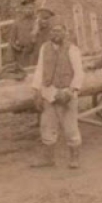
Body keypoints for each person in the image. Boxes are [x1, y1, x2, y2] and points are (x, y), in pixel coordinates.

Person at [30, 22, 85, 169]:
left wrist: (72, 90)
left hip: (66, 92)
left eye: (59, 31)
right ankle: (48, 159)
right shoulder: (44, 48)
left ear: (65, 32)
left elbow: (79, 72)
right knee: (47, 126)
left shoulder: (72, 49)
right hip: (48, 92)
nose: (56, 34)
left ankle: (75, 158)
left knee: (70, 128)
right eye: (53, 31)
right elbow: (39, 70)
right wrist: (36, 91)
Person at [9, 0, 37, 70]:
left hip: (33, 53)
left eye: (31, 8)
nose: (29, 10)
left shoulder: (37, 21)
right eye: (27, 8)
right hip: (20, 53)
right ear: (23, 9)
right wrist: (16, 47)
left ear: (34, 9)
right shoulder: (17, 22)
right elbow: (12, 39)